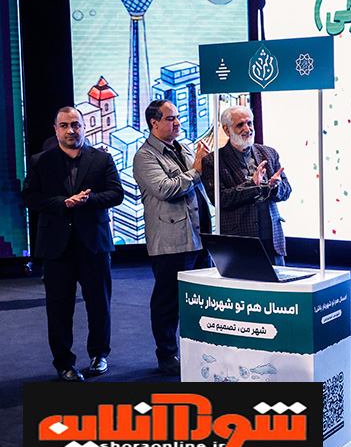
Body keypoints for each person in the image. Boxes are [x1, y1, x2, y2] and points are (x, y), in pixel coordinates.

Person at [22, 106, 123, 381]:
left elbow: (116, 194)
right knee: (58, 308)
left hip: (94, 244)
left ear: (84, 127)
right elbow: (29, 197)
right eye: (65, 125)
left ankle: (99, 355)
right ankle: (64, 364)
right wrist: (63, 203)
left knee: (99, 304)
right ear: (56, 130)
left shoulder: (102, 159)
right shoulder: (40, 161)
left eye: (76, 124)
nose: (71, 130)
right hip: (56, 246)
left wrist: (89, 200)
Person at [132, 99, 212, 375]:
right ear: (153, 123)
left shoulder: (184, 147)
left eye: (177, 117)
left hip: (200, 236)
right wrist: (197, 170)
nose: (177, 122)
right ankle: (167, 355)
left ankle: (199, 351)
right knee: (168, 301)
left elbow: (201, 179)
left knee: (200, 298)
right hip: (171, 240)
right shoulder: (144, 156)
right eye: (170, 118)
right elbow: (166, 189)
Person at [202, 106, 291, 265]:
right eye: (240, 125)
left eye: (249, 123)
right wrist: (252, 185)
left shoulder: (269, 153)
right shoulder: (213, 161)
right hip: (239, 241)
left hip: (272, 238)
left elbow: (287, 191)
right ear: (227, 130)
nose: (247, 129)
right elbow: (220, 199)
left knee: (278, 281)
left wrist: (275, 186)